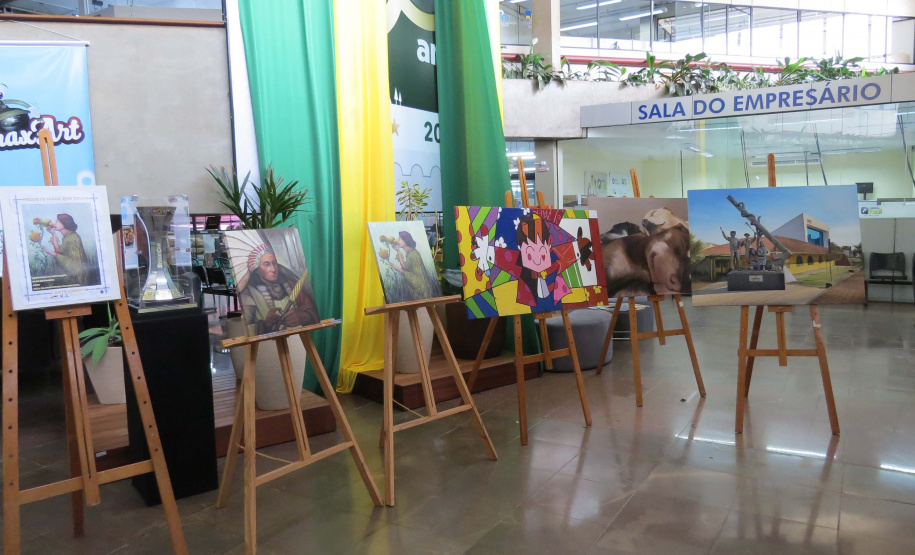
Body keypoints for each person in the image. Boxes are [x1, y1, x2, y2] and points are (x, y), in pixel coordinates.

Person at [239, 244, 319, 335]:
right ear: (257, 269)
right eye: (267, 264)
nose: (273, 269)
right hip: (268, 347)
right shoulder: (248, 293)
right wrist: (266, 325)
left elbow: (309, 307)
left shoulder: (291, 284)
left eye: (274, 263)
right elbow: (247, 330)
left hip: (298, 339)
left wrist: (305, 316)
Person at [515, 213, 569, 311]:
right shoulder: (524, 276)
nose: (537, 260)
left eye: (543, 255)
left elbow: (560, 293)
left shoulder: (555, 266)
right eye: (529, 255)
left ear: (548, 245)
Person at [41, 213, 95, 286]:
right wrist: (53, 234)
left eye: (57, 221)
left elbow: (72, 262)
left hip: (78, 278)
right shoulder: (68, 236)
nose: (54, 223)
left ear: (64, 223)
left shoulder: (72, 238)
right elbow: (59, 251)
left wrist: (50, 253)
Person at [391, 230, 437, 300]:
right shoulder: (410, 253)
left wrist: (398, 269)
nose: (397, 241)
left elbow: (417, 278)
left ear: (405, 241)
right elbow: (405, 266)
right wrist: (398, 251)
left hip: (422, 290)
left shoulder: (414, 255)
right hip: (419, 289)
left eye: (399, 238)